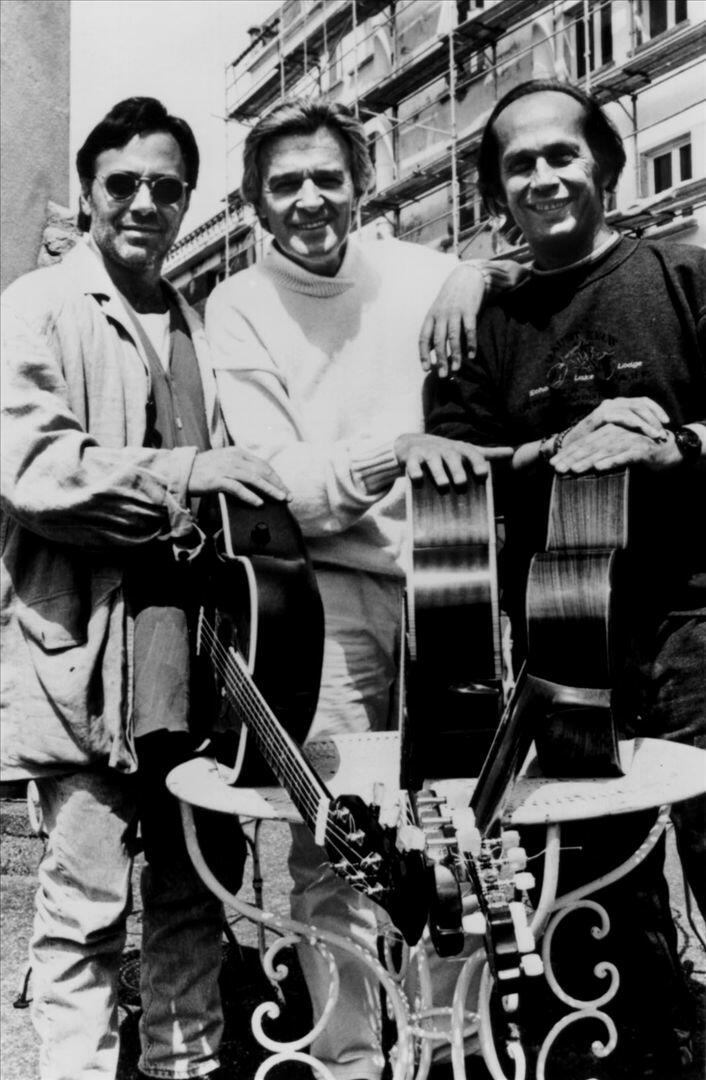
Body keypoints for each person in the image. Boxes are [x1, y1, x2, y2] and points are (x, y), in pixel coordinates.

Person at [205, 98, 517, 1080]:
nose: (308, 199)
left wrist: (478, 273)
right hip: (325, 603)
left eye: (327, 177)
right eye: (284, 183)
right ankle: (350, 1061)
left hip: (450, 589)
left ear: (363, 183)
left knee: (454, 843)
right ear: (256, 199)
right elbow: (281, 485)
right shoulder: (239, 304)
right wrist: (394, 451)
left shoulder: (427, 275)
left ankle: (448, 1053)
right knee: (336, 847)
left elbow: (523, 297)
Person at [0, 96, 291, 1080]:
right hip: (88, 661)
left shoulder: (201, 323)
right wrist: (187, 475)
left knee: (195, 900)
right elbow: (36, 472)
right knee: (83, 914)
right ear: (88, 194)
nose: (144, 203)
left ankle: (185, 1069)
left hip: (203, 672)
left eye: (166, 187)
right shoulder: (37, 308)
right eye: (122, 183)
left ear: (187, 201)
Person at [426, 78, 706, 1071]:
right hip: (561, 642)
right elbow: (454, 472)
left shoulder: (683, 273)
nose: (542, 177)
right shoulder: (480, 320)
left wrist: (676, 442)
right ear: (496, 192)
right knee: (596, 897)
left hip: (694, 620)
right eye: (519, 164)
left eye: (561, 154)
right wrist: (546, 450)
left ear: (606, 165)